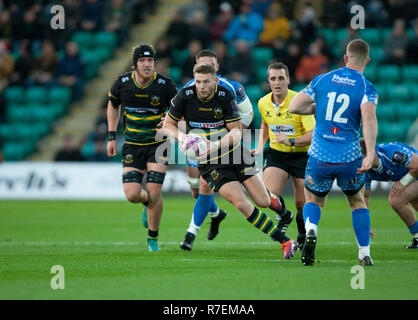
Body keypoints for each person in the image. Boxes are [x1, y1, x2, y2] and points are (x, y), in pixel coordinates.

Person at [161, 63, 296, 259]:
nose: (202, 86)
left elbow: (236, 131)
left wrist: (214, 145)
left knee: (263, 200)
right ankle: (285, 241)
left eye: (206, 82)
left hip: (236, 154)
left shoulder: (225, 95)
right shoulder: (184, 96)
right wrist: (182, 138)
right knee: (241, 203)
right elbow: (168, 124)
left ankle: (284, 213)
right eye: (198, 82)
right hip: (210, 165)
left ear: (215, 80)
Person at [289, 39, 378, 266]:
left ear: (346, 58)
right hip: (349, 157)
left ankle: (311, 230)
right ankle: (364, 253)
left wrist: (319, 108)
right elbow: (368, 119)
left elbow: (294, 107)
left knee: (315, 201)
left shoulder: (323, 79)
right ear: (367, 60)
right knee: (357, 203)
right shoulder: (367, 87)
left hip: (320, 155)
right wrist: (369, 154)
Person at [179, 49, 255, 251]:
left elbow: (248, 113)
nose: (207, 70)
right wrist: (184, 135)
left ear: (217, 67)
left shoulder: (231, 88)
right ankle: (216, 214)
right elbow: (179, 115)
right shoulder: (188, 88)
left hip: (220, 146)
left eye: (211, 65)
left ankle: (190, 233)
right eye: (202, 66)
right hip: (196, 145)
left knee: (205, 186)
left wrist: (235, 133)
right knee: (196, 190)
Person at [107, 44, 178, 251]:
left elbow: (180, 108)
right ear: (135, 64)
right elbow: (112, 105)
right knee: (132, 195)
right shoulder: (122, 83)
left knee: (155, 192)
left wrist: (170, 117)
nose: (147, 64)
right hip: (133, 145)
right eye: (142, 61)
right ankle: (146, 203)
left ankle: (152, 240)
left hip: (159, 145)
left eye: (150, 61)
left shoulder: (165, 84)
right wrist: (111, 136)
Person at [252, 62, 315, 250]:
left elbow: (313, 133)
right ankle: (284, 214)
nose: (277, 82)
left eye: (281, 78)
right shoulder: (263, 102)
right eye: (273, 79)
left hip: (302, 155)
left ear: (288, 79)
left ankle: (302, 234)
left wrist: (292, 141)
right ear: (268, 81)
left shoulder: (299, 102)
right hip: (277, 154)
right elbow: (265, 124)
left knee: (302, 203)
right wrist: (259, 146)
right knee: (265, 196)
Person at [361, 140, 418, 249]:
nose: (360, 162)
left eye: (362, 158)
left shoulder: (392, 153)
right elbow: (365, 196)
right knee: (414, 202)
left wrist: (402, 183)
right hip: (414, 176)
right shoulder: (366, 169)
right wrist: (365, 225)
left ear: (371, 153)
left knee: (396, 199)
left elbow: (417, 165)